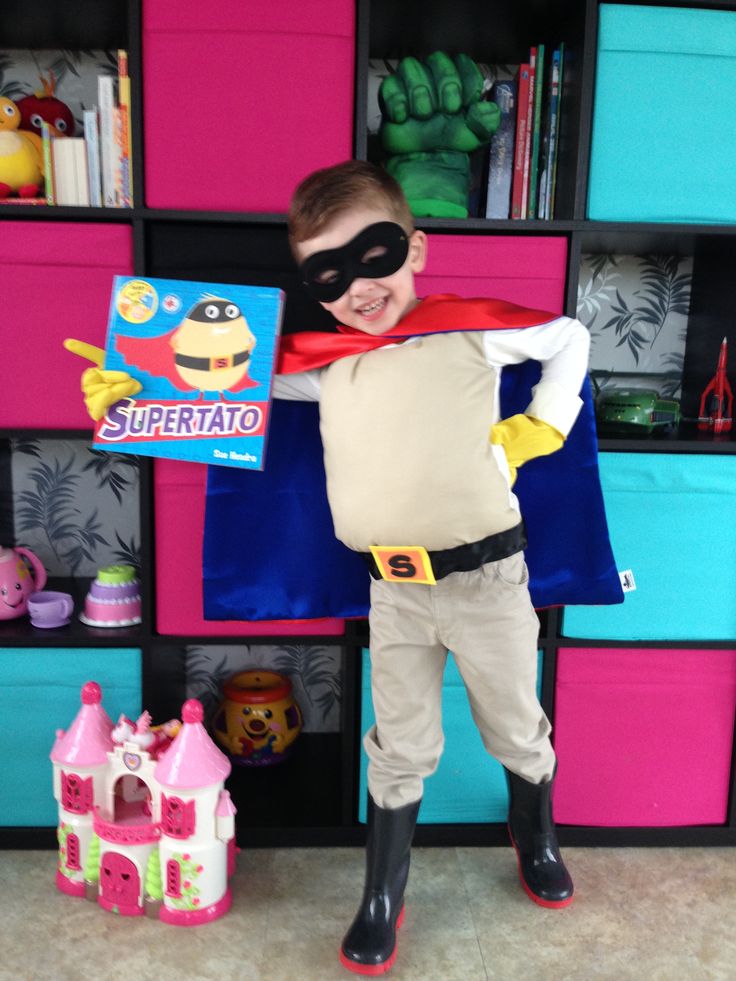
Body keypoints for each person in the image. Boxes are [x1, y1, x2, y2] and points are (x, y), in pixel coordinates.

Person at [68, 160, 591, 975]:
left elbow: (569, 337)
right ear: (314, 284)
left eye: (375, 253)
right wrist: (123, 394)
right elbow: (217, 388)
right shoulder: (325, 363)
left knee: (517, 727)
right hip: (395, 590)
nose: (359, 284)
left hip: (488, 579)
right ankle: (383, 893)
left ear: (415, 247)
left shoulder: (470, 330)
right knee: (399, 745)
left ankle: (535, 831)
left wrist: (544, 426)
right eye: (330, 270)